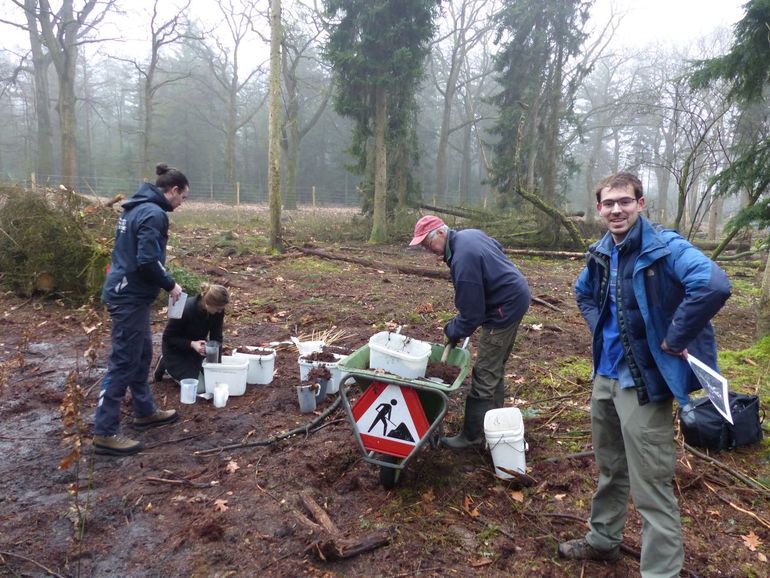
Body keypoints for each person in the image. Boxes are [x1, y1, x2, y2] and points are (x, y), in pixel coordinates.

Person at [558, 172, 731, 576]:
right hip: (605, 377)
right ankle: (603, 541)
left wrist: (674, 338)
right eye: (608, 203)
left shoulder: (665, 247)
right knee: (610, 469)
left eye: (624, 201)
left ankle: (660, 572)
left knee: (651, 486)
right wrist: (599, 328)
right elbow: (583, 292)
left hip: (644, 385)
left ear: (641, 203)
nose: (616, 209)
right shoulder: (602, 250)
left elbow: (713, 284)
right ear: (599, 208)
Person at [409, 215, 531, 449]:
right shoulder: (468, 235)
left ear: (441, 233)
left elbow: (471, 315)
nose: (428, 251)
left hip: (503, 309)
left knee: (484, 373)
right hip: (514, 297)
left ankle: (472, 437)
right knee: (494, 367)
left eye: (427, 244)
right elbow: (496, 247)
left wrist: (452, 330)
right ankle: (494, 423)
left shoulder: (463, 259)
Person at [92, 163, 189, 456]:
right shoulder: (153, 213)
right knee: (124, 360)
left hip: (128, 291)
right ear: (172, 191)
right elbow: (147, 260)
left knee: (142, 353)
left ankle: (144, 410)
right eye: (183, 197)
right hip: (128, 296)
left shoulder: (136, 207)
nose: (182, 203)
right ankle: (105, 432)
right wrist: (171, 284)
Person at [154, 283, 230, 390]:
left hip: (198, 349)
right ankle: (165, 363)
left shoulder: (217, 311)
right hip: (176, 350)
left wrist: (216, 366)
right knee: (200, 388)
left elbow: (216, 337)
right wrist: (191, 344)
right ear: (208, 304)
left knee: (214, 382)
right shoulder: (184, 309)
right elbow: (168, 337)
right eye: (218, 309)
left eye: (221, 309)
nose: (220, 311)